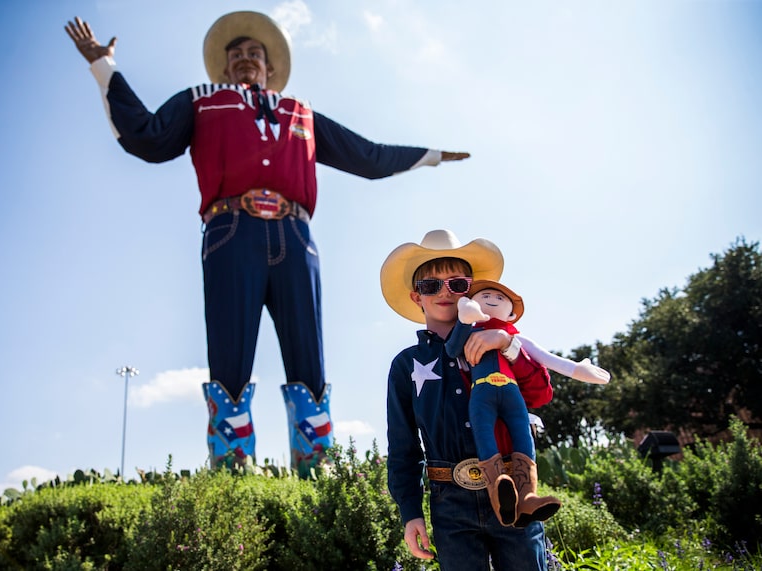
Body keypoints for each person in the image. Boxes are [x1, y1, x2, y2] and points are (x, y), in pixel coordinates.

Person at [64, 11, 470, 475]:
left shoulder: (301, 113)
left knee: (309, 359)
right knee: (229, 356)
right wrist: (104, 68)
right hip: (230, 230)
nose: (244, 60)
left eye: (253, 53)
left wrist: (432, 156)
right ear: (223, 67)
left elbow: (367, 155)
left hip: (296, 235)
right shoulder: (203, 101)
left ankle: (315, 474)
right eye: (234, 55)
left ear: (270, 66)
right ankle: (233, 476)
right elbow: (147, 137)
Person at [380, 229, 553, 569]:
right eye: (431, 286)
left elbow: (541, 394)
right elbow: (403, 446)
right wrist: (410, 512)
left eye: (457, 284)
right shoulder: (405, 365)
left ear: (470, 290)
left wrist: (507, 344)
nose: (445, 293)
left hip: (512, 491)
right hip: (450, 503)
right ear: (417, 297)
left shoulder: (503, 345)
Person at [446, 280, 610, 527]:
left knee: (523, 436)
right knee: (484, 435)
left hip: (513, 395)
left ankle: (528, 496)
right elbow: (451, 349)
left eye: (500, 298)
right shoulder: (470, 333)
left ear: (511, 314)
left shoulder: (515, 339)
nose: (492, 299)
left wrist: (578, 369)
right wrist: (465, 320)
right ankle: (500, 491)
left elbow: (546, 358)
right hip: (481, 394)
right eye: (485, 295)